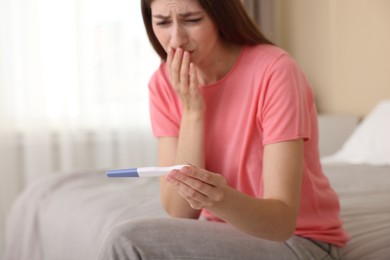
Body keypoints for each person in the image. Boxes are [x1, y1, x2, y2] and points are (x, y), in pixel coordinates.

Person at [98, 0, 349, 259]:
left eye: (192, 20)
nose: (176, 40)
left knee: (127, 240)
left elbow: (281, 224)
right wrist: (193, 112)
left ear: (221, 18)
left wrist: (217, 197)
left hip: (299, 239)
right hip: (223, 232)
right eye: (162, 22)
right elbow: (182, 212)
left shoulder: (275, 71)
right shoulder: (163, 83)